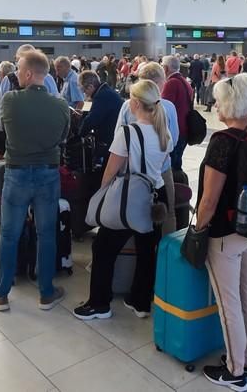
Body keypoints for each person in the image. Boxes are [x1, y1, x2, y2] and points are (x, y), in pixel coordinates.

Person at [73, 79, 173, 320]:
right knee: (147, 250)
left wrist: (103, 193)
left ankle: (99, 303)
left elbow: (110, 171)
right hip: (156, 196)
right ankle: (140, 302)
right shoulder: (164, 133)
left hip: (130, 198)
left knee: (103, 248)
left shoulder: (127, 133)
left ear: (136, 103)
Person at [196, 74, 247, 390]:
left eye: (218, 99)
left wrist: (197, 230)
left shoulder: (223, 142)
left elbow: (209, 199)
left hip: (226, 234)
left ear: (229, 102)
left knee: (229, 303)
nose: (215, 105)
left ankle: (235, 371)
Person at [0, 49, 70, 312]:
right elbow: (63, 137)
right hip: (48, 173)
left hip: (17, 173)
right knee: (47, 234)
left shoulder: (11, 100)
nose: (17, 74)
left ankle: (1, 293)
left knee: (9, 234)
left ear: (29, 73)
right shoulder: (60, 106)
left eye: (20, 69)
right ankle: (46, 292)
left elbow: (0, 125)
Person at [115, 62, 179, 235]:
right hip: (162, 171)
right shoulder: (169, 107)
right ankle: (165, 255)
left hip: (132, 172)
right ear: (161, 82)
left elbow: (118, 138)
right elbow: (173, 140)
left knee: (130, 212)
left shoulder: (127, 106)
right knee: (167, 213)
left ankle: (133, 253)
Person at [0, 45, 59, 131]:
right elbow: (56, 108)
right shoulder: (48, 78)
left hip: (16, 137)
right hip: (45, 134)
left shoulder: (8, 80)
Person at [77, 70, 123, 162]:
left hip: (111, 140)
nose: (84, 93)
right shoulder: (104, 91)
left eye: (83, 90)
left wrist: (79, 134)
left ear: (90, 87)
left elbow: (90, 121)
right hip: (114, 136)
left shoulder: (102, 96)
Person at [161, 55, 192, 172]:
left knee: (170, 168)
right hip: (184, 128)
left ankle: (173, 189)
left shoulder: (171, 83)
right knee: (177, 164)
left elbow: (164, 109)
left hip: (175, 131)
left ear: (165, 68)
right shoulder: (184, 81)